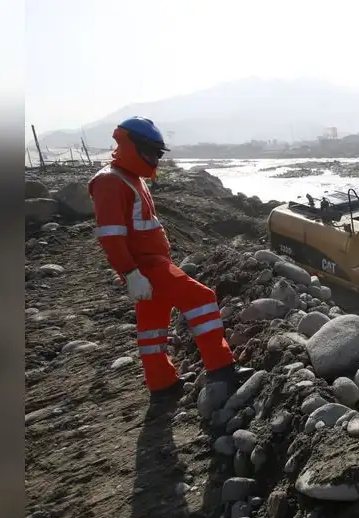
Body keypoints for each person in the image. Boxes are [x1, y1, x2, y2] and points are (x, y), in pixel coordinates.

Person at [87, 116, 253, 402]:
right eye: (150, 153)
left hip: (149, 266)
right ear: (131, 146)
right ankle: (221, 367)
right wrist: (131, 274)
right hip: (148, 267)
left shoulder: (130, 178)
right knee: (202, 299)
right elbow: (110, 236)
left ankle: (162, 384)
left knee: (152, 328)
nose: (154, 159)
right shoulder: (110, 181)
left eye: (157, 154)